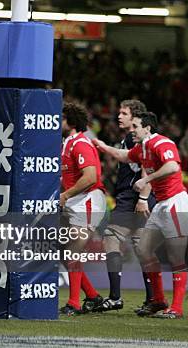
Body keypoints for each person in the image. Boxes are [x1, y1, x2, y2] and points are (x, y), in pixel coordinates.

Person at [94, 112, 188, 319]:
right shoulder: (142, 148)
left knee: (176, 256)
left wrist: (147, 180)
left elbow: (173, 166)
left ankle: (177, 308)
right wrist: (103, 146)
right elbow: (123, 155)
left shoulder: (161, 143)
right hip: (161, 204)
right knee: (143, 249)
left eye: (136, 126)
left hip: (176, 202)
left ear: (147, 128)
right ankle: (157, 300)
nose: (132, 130)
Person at [95, 100, 156, 313]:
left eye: (124, 113)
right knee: (142, 248)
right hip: (137, 196)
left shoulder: (133, 138)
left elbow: (146, 168)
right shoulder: (131, 139)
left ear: (134, 116)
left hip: (132, 197)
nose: (119, 116)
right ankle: (152, 299)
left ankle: (115, 297)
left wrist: (142, 198)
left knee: (111, 239)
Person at [58, 102, 107, 316]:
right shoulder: (67, 143)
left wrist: (65, 195)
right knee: (63, 251)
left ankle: (74, 303)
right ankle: (93, 296)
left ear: (70, 121)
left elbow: (91, 177)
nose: (57, 122)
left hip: (87, 201)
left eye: (61, 118)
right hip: (75, 201)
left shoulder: (81, 144)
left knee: (72, 251)